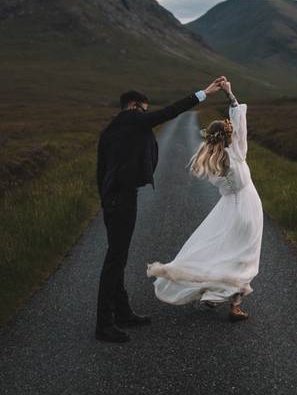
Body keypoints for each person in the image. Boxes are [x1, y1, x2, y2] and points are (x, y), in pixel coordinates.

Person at [95, 77, 226, 343]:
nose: (145, 114)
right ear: (133, 106)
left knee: (117, 257)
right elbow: (170, 112)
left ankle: (122, 312)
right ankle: (103, 324)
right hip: (121, 199)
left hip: (113, 199)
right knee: (115, 261)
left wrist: (106, 200)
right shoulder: (132, 119)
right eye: (143, 108)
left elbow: (101, 169)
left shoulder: (111, 129)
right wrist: (204, 93)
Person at [146, 78, 263, 322]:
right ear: (229, 137)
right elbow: (240, 121)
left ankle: (214, 292)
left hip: (227, 209)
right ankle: (234, 304)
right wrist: (229, 93)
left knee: (221, 251)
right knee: (244, 257)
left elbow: (235, 127)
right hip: (249, 209)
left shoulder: (210, 160)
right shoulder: (236, 154)